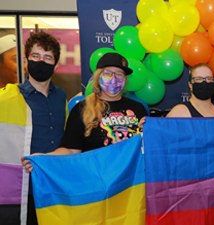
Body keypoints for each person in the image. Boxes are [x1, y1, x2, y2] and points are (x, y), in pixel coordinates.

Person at [21, 52, 147, 158]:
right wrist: (43, 158)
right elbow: (71, 150)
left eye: (119, 74)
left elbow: (149, 147)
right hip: (99, 181)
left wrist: (148, 131)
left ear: (125, 79)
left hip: (133, 181)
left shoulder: (138, 108)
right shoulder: (82, 109)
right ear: (98, 77)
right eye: (107, 73)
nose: (113, 78)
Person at [0, 31, 66, 225]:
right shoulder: (7, 99)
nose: (41, 61)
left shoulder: (61, 96)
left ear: (56, 65)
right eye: (35, 56)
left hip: (56, 185)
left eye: (47, 57)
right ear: (26, 61)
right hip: (22, 188)